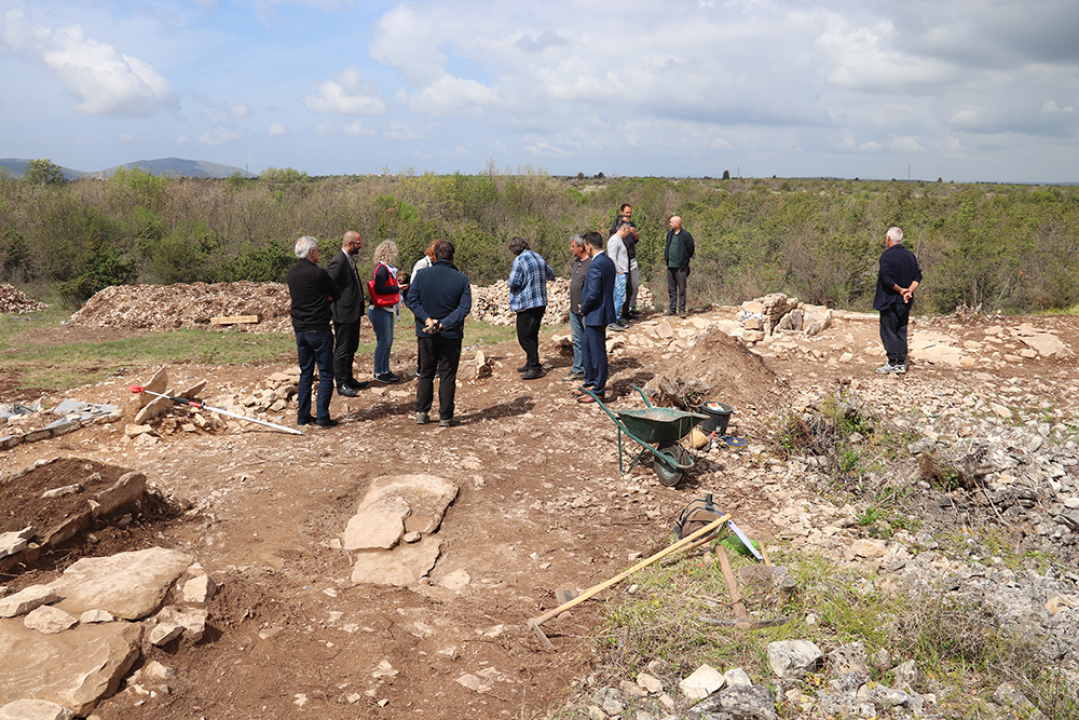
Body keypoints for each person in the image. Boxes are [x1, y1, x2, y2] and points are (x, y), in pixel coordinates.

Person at [405, 240, 472, 427]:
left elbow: (411, 299)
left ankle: (421, 411)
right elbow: (464, 308)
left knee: (426, 373)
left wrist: (427, 320)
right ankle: (445, 416)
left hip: (426, 333)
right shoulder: (461, 279)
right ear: (453, 257)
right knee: (447, 375)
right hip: (451, 335)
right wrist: (444, 324)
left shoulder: (422, 275)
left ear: (434, 255)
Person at [286, 236, 341, 428]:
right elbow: (337, 294)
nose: (319, 253)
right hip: (318, 326)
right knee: (326, 373)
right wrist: (321, 298)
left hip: (300, 327)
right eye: (317, 250)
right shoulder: (319, 274)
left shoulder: (291, 272)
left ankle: (303, 416)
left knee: (306, 373)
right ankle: (323, 418)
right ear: (311, 252)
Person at [574, 231, 616, 404]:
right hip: (601, 312)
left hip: (596, 314)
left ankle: (599, 390)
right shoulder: (608, 262)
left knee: (598, 354)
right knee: (587, 346)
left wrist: (584, 307)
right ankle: (591, 383)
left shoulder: (595, 265)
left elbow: (593, 293)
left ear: (589, 246)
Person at [873, 226, 922, 374]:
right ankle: (901, 362)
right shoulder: (910, 256)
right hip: (905, 301)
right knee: (901, 330)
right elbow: (918, 276)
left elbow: (886, 278)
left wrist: (901, 290)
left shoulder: (886, 256)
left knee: (888, 331)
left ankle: (892, 362)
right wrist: (909, 291)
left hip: (890, 300)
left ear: (888, 239)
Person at [507, 236, 556, 380]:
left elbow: (513, 282)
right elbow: (551, 274)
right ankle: (530, 362)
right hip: (540, 302)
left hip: (526, 304)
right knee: (532, 334)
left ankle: (535, 367)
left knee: (524, 336)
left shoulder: (520, 260)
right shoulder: (538, 257)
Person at [326, 230, 368, 396]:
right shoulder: (338, 262)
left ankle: (349, 377)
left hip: (353, 312)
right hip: (343, 314)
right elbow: (329, 287)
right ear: (350, 244)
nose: (360, 246)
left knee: (352, 346)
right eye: (358, 244)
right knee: (342, 349)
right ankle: (341, 383)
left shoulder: (349, 260)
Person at [368, 240, 410, 383]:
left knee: (388, 341)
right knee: (383, 341)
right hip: (380, 309)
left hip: (386, 309)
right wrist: (397, 288)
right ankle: (379, 372)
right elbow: (379, 288)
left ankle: (385, 369)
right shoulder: (382, 269)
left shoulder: (386, 269)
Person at [565, 234, 591, 382]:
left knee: (589, 340)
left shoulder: (591, 263)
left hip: (586, 310)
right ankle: (578, 369)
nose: (571, 249)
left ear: (581, 247)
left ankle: (592, 371)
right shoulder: (576, 261)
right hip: (574, 309)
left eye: (573, 246)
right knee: (577, 340)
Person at [609, 204, 640, 318]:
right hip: (621, 263)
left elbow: (632, 242)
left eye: (630, 212)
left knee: (632, 286)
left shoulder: (632, 225)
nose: (629, 215)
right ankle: (615, 317)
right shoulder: (616, 227)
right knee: (620, 290)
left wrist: (635, 237)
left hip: (630, 259)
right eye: (627, 212)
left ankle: (627, 311)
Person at [664, 215, 695, 317]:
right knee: (671, 288)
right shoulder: (669, 234)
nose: (670, 224)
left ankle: (682, 309)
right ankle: (672, 309)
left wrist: (685, 259)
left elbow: (691, 249)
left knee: (682, 289)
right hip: (670, 266)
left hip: (681, 267)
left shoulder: (686, 235)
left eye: (671, 222)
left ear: (678, 224)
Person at [607, 221, 632, 330]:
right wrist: (619, 270)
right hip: (619, 273)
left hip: (622, 271)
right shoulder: (614, 240)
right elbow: (612, 257)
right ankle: (611, 321)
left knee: (618, 297)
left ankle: (615, 318)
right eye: (628, 230)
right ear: (624, 229)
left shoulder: (619, 240)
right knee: (620, 297)